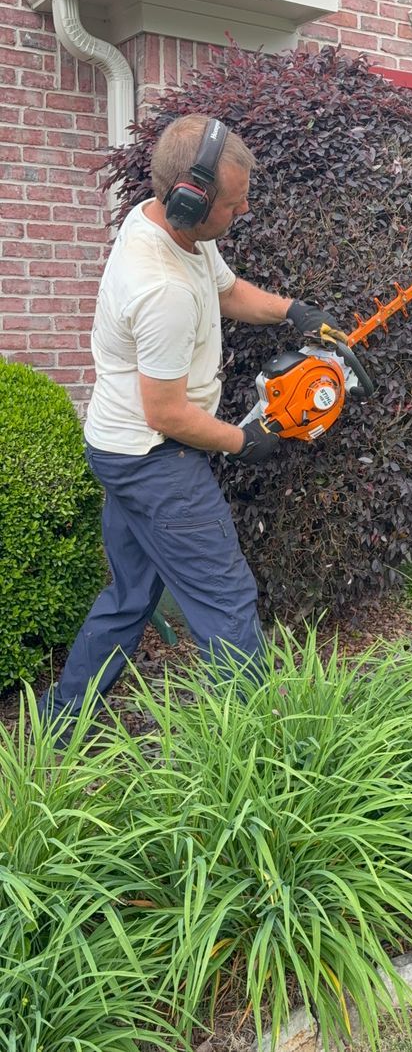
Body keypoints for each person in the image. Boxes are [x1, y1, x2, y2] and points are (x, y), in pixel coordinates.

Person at [38, 113, 343, 740]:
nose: (243, 210)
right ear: (191, 201)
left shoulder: (166, 227)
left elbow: (226, 292)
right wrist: (245, 440)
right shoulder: (161, 289)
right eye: (233, 203)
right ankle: (256, 750)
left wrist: (293, 312)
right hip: (154, 458)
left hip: (117, 447)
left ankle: (57, 724)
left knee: (129, 597)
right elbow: (167, 413)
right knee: (226, 600)